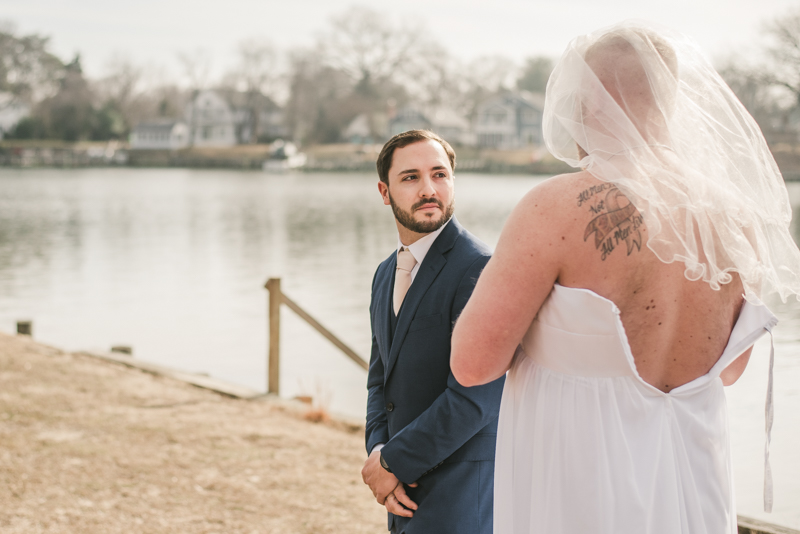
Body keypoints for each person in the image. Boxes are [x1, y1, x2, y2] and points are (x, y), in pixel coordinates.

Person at [450, 21, 800, 534]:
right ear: (670, 97)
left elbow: (472, 364)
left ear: (587, 99)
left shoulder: (553, 208)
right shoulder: (732, 216)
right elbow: (729, 370)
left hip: (581, 476)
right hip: (692, 472)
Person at [361, 129, 505, 534]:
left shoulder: (479, 268)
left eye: (439, 174)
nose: (428, 189)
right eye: (410, 178)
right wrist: (379, 453)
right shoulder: (385, 273)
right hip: (402, 495)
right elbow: (379, 381)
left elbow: (475, 399)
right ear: (385, 192)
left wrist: (394, 463)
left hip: (461, 498)